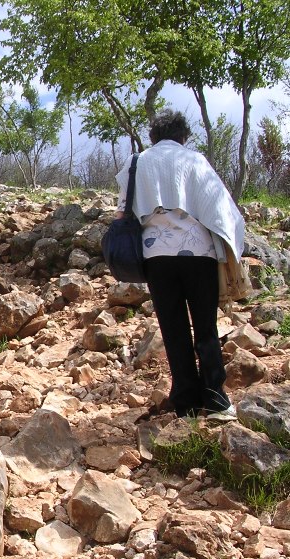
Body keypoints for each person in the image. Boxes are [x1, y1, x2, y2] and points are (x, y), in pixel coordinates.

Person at [115, 110, 245, 421]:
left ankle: (185, 401)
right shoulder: (195, 160)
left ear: (153, 137)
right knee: (205, 327)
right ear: (183, 136)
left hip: (157, 257)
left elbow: (122, 213)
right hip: (198, 255)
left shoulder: (136, 162)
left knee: (173, 329)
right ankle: (215, 398)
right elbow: (220, 209)